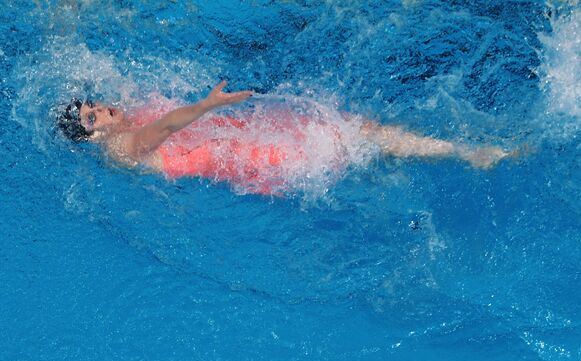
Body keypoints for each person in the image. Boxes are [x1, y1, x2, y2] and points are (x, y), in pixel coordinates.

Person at [56, 82, 516, 195]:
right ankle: (464, 155)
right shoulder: (122, 147)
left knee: (363, 133)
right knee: (351, 141)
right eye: (92, 119)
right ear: (93, 140)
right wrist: (209, 105)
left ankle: (454, 152)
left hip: (233, 138)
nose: (100, 110)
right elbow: (171, 127)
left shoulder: (119, 123)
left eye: (92, 105)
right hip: (252, 155)